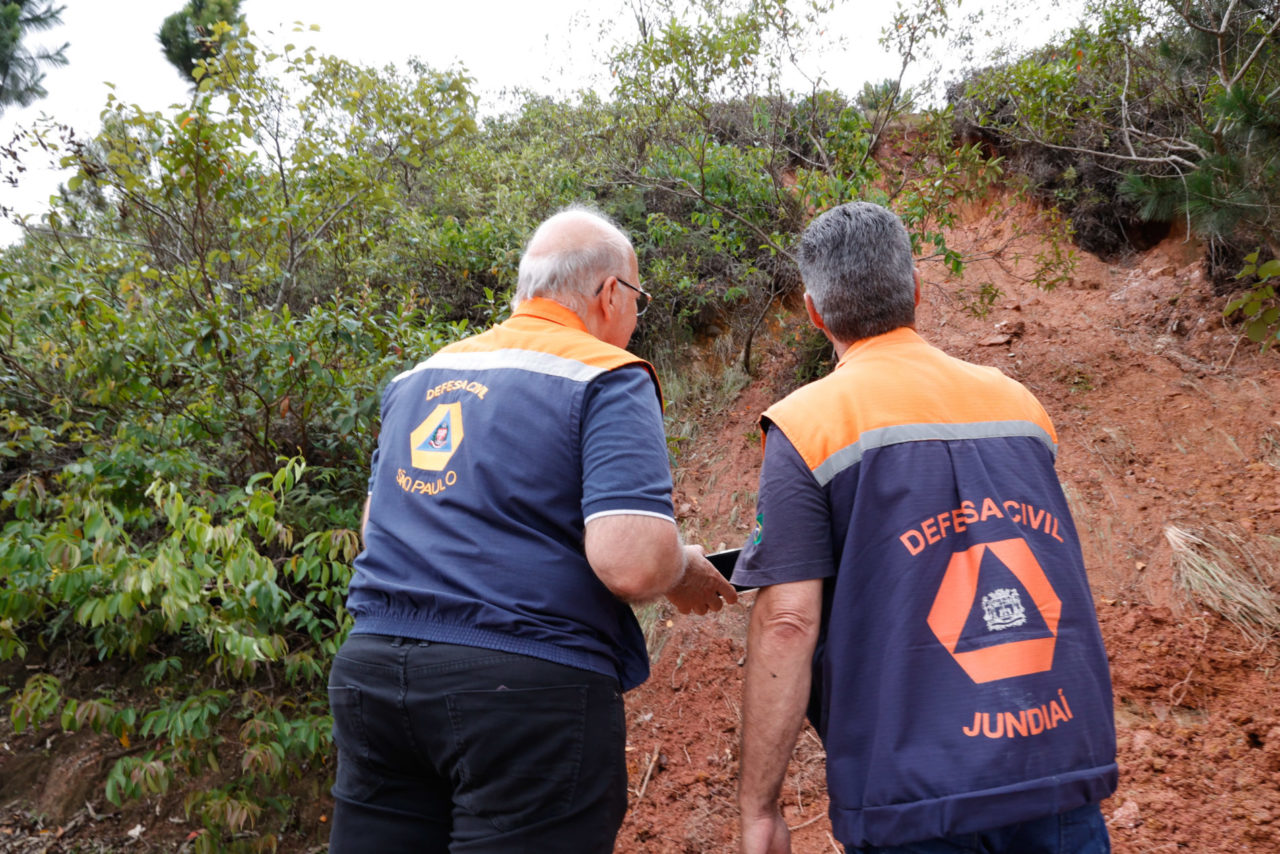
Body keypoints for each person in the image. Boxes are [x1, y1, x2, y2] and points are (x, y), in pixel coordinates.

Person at [327, 205, 738, 853]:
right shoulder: (605, 375)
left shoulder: (416, 379)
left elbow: (375, 528)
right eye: (638, 298)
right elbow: (630, 562)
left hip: (374, 679)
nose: (635, 317)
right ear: (610, 294)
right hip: (523, 694)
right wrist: (681, 568)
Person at [732, 202, 1117, 854]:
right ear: (916, 291)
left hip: (914, 798)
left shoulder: (808, 426)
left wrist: (759, 809)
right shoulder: (1021, 408)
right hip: (1053, 773)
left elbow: (788, 623)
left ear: (815, 313)